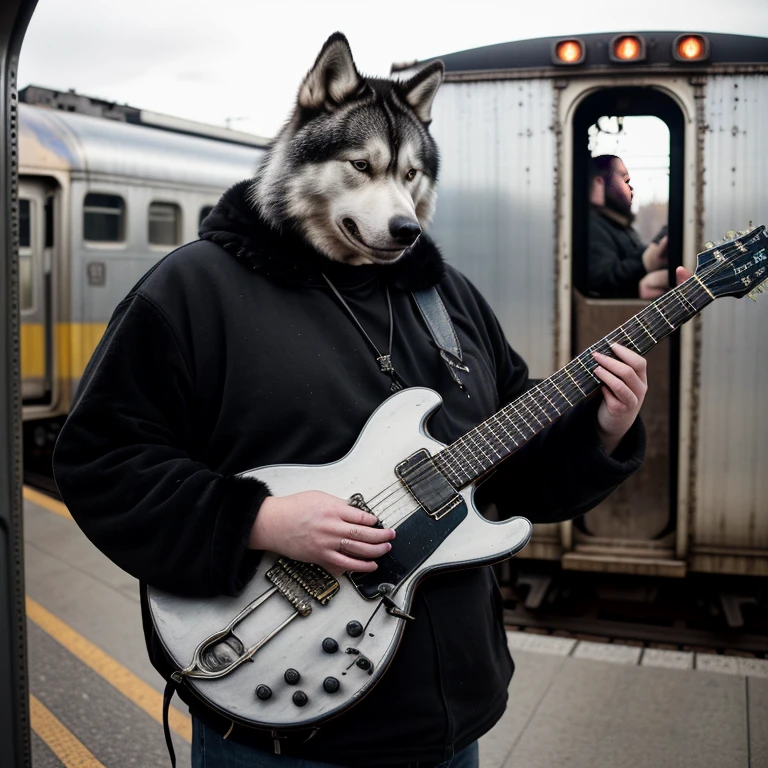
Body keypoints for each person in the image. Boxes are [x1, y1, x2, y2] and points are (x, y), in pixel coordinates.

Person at [52, 34, 682, 768]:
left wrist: (600, 431)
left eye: (409, 177)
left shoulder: (447, 298)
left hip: (446, 725)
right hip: (280, 727)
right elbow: (100, 463)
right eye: (363, 170)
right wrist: (256, 518)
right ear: (304, 151)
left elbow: (515, 474)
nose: (401, 206)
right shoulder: (194, 292)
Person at [586, 154, 669, 299]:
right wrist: (645, 262)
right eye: (626, 180)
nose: (632, 188)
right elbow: (603, 282)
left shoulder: (621, 227)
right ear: (599, 185)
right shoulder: (591, 227)